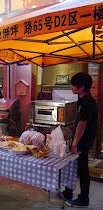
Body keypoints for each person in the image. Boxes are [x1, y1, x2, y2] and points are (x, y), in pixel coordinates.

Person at [60, 73, 98, 208]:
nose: (71, 87)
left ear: (81, 87)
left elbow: (82, 124)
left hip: (83, 141)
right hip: (81, 139)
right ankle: (68, 192)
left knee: (82, 169)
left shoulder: (88, 102)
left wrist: (75, 142)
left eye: (73, 85)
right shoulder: (82, 99)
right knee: (73, 166)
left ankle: (83, 198)